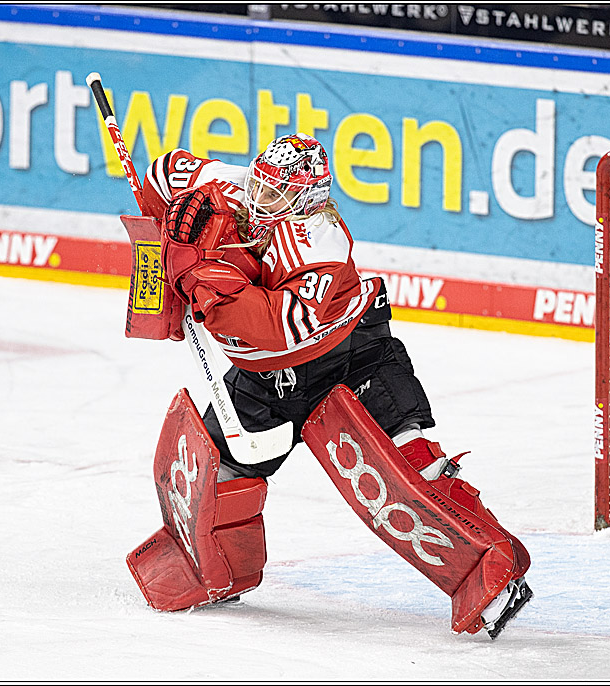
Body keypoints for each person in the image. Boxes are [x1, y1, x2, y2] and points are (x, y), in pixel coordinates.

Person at [134, 133, 532, 638]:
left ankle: (492, 572)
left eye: (274, 195)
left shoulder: (320, 239)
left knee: (409, 471)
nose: (258, 199)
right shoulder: (227, 186)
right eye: (258, 183)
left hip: (348, 357)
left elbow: (274, 329)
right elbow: (163, 171)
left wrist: (198, 275)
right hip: (265, 380)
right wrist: (169, 218)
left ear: (304, 201)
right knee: (214, 478)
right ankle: (214, 573)